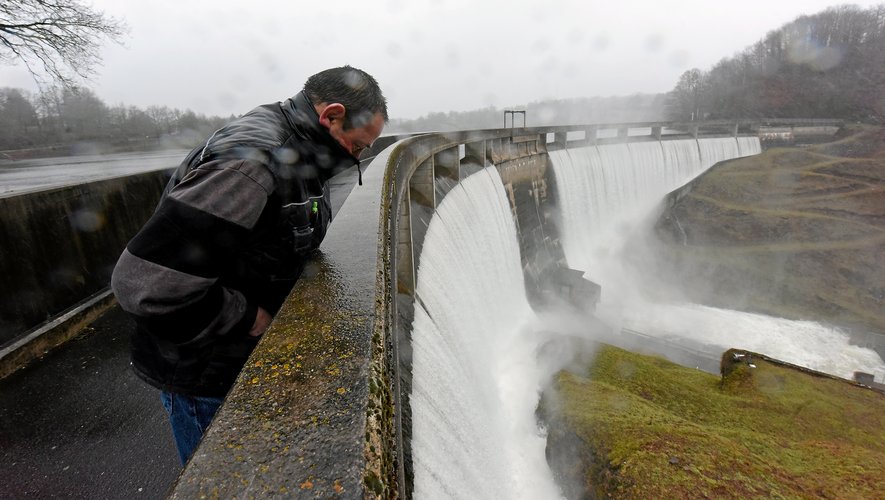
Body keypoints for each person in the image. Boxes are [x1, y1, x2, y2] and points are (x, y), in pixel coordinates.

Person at [111, 66, 387, 464]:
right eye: (358, 146)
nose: (357, 157)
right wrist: (250, 319)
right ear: (331, 115)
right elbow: (146, 283)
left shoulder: (303, 145)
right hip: (207, 374)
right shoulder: (254, 164)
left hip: (233, 362)